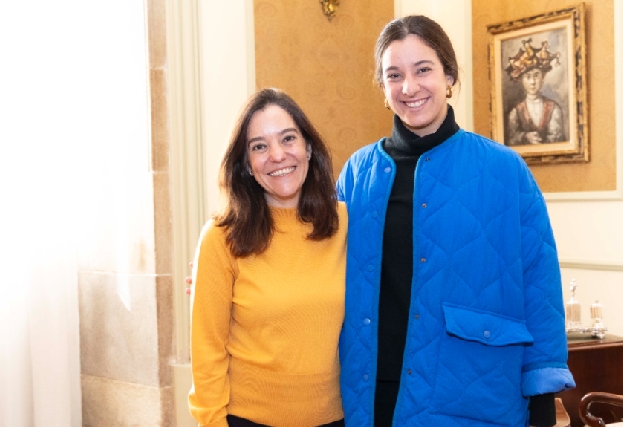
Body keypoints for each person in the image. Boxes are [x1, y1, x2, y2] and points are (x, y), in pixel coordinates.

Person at [336, 15, 575, 427]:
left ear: (449, 75)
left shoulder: (505, 170)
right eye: (394, 75)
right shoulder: (358, 173)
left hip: (471, 397)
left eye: (423, 69)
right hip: (367, 395)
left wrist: (541, 398)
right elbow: (318, 260)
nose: (409, 87)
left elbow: (540, 287)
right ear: (383, 88)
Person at [188, 88, 347, 427]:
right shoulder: (221, 238)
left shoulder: (346, 224)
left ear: (308, 147)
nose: (277, 155)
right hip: (248, 420)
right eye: (259, 146)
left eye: (288, 139)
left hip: (336, 419)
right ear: (246, 165)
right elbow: (207, 354)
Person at [505, 38, 565, 146]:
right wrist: (525, 137)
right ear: (521, 81)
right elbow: (511, 140)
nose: (532, 82)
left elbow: (558, 138)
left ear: (543, 77)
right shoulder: (516, 112)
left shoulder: (554, 108)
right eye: (528, 77)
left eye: (536, 76)